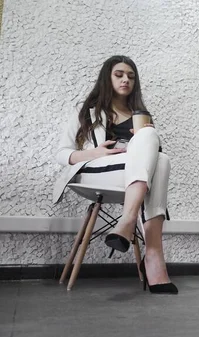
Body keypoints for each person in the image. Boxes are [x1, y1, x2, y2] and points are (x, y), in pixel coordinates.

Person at [53, 55, 177, 294]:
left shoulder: (140, 114)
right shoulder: (88, 112)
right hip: (95, 171)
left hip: (129, 175)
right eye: (119, 74)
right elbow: (61, 153)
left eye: (130, 76)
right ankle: (147, 246)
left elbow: (150, 158)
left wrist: (145, 138)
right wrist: (95, 153)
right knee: (159, 158)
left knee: (160, 157)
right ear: (107, 78)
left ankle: (130, 226)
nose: (125, 80)